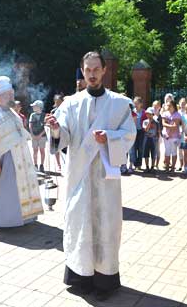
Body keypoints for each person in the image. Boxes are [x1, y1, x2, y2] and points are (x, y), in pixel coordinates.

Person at [46, 51, 136, 301]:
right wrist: (55, 129)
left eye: (97, 69)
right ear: (82, 72)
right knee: (80, 224)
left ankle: (105, 281)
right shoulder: (70, 103)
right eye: (88, 70)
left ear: (104, 70)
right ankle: (80, 276)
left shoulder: (120, 103)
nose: (93, 74)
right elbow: (63, 137)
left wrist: (109, 137)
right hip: (79, 178)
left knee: (106, 226)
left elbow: (129, 134)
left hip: (105, 178)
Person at [0, 76, 43, 227]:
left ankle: (24, 217)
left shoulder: (11, 112)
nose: (11, 97)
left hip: (20, 159)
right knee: (8, 192)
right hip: (6, 162)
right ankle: (6, 221)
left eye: (12, 94)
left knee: (19, 191)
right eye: (7, 95)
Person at [162, 101, 182, 172]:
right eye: (167, 105)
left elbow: (176, 126)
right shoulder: (165, 113)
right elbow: (163, 124)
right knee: (167, 152)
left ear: (173, 106)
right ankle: (167, 167)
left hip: (174, 136)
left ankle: (173, 167)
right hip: (166, 136)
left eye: (169, 105)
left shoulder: (177, 114)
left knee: (173, 152)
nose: (168, 107)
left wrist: (170, 128)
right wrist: (171, 126)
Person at [29, 100, 47, 172]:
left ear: (39, 107)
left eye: (34, 106)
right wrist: (32, 134)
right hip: (34, 136)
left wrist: (40, 135)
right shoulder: (32, 115)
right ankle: (35, 165)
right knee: (35, 150)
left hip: (42, 136)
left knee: (42, 150)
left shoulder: (44, 115)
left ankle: (41, 165)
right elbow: (30, 125)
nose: (33, 107)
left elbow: (46, 127)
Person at [142, 107, 160, 172]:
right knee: (146, 153)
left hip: (154, 139)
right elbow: (146, 130)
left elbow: (158, 132)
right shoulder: (145, 121)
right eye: (147, 114)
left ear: (153, 114)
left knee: (153, 153)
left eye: (150, 114)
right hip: (146, 138)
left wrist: (157, 138)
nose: (148, 115)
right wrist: (149, 122)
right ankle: (147, 167)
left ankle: (152, 167)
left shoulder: (156, 122)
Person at [130, 96, 146, 170]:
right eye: (134, 103)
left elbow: (146, 122)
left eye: (137, 103)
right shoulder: (132, 111)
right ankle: (134, 164)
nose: (135, 105)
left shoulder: (144, 112)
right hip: (133, 132)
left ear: (140, 104)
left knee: (140, 148)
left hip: (141, 132)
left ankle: (139, 164)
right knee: (133, 148)